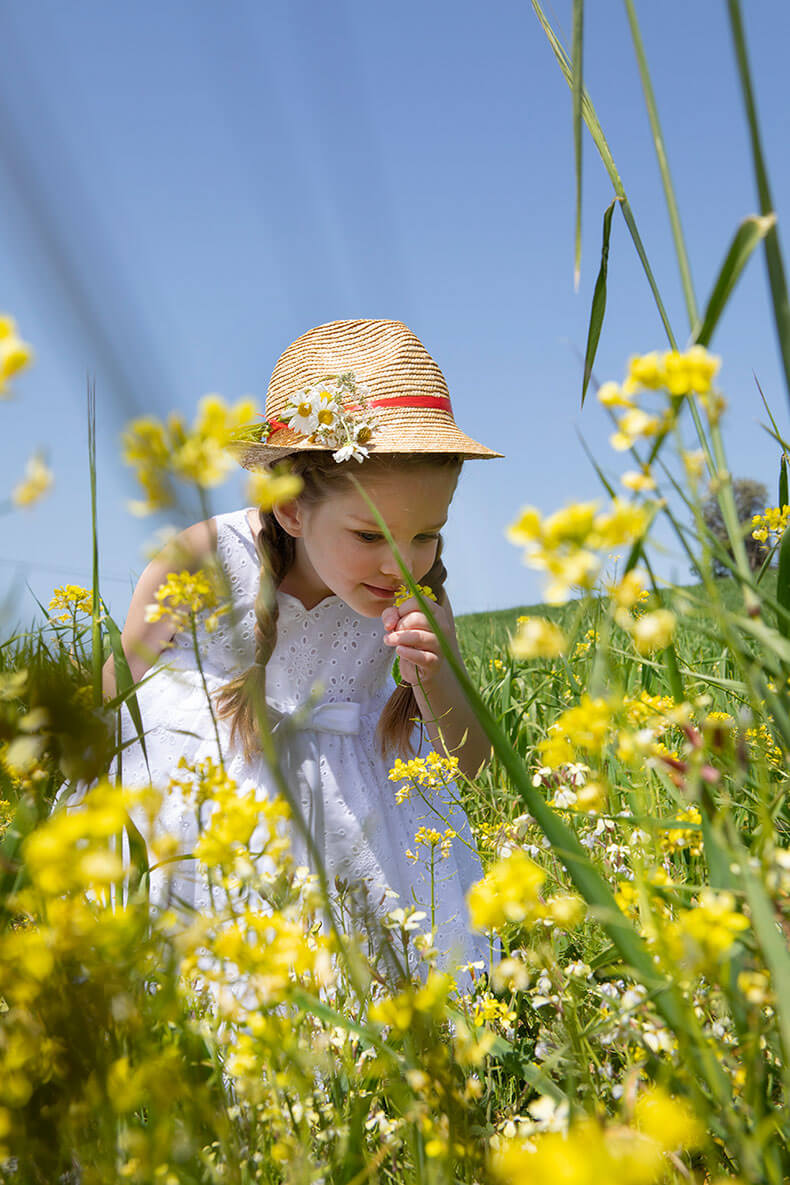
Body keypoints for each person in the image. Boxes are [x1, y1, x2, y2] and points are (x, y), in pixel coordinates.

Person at [104, 318, 502, 973]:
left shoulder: (421, 596)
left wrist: (433, 674)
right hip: (214, 813)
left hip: (366, 833)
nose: (400, 563)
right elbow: (115, 702)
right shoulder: (203, 559)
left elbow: (475, 765)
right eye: (370, 536)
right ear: (291, 507)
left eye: (426, 534)